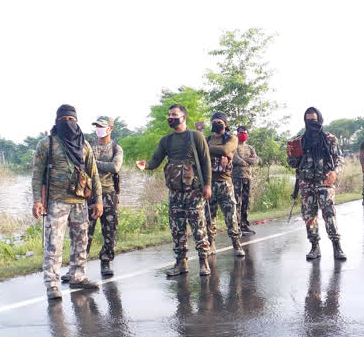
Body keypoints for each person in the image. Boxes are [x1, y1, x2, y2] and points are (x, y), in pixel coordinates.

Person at [32, 104, 103, 300]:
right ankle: (52, 285)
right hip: (56, 202)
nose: (68, 123)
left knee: (81, 241)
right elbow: (37, 175)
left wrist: (98, 201)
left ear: (77, 121)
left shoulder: (85, 145)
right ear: (57, 121)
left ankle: (77, 276)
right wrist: (37, 200)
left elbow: (94, 175)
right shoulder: (47, 144)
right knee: (53, 244)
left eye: (71, 120)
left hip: (80, 202)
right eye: (64, 120)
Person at [135, 104, 213, 276]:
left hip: (194, 191)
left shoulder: (196, 136)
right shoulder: (166, 141)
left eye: (174, 114)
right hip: (175, 192)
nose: (171, 117)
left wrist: (207, 185)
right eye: (169, 114)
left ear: (183, 117)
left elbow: (206, 161)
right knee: (177, 229)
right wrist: (145, 165)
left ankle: (203, 262)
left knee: (198, 228)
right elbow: (155, 160)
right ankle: (180, 263)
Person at [287, 107, 347, 261]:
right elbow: (293, 164)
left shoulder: (329, 139)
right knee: (309, 216)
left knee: (329, 214)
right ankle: (314, 246)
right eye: (308, 121)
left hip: (324, 182)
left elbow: (339, 158)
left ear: (319, 120)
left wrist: (335, 172)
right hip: (306, 184)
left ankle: (337, 246)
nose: (311, 123)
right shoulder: (299, 141)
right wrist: (291, 154)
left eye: (314, 120)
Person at [84, 116, 123, 277]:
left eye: (102, 126)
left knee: (109, 230)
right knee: (85, 231)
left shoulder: (116, 148)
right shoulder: (89, 146)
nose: (99, 129)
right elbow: (81, 165)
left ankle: (106, 261)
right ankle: (79, 264)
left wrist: (93, 163)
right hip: (89, 194)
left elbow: (115, 167)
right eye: (97, 126)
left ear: (110, 128)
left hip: (108, 193)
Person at [206, 112, 245, 257]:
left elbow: (225, 150)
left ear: (225, 124)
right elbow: (197, 151)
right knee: (209, 216)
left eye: (219, 122)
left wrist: (206, 149)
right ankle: (211, 244)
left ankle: (237, 244)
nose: (216, 124)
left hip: (225, 183)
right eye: (214, 121)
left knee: (231, 216)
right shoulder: (208, 138)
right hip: (209, 183)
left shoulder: (231, 138)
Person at [232, 125, 259, 235]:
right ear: (237, 133)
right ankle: (237, 226)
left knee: (246, 201)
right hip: (237, 177)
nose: (243, 134)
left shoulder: (250, 148)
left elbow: (256, 161)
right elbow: (235, 158)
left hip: (248, 177)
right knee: (237, 202)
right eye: (241, 132)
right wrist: (246, 161)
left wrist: (244, 159)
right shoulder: (234, 146)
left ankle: (244, 224)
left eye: (245, 132)